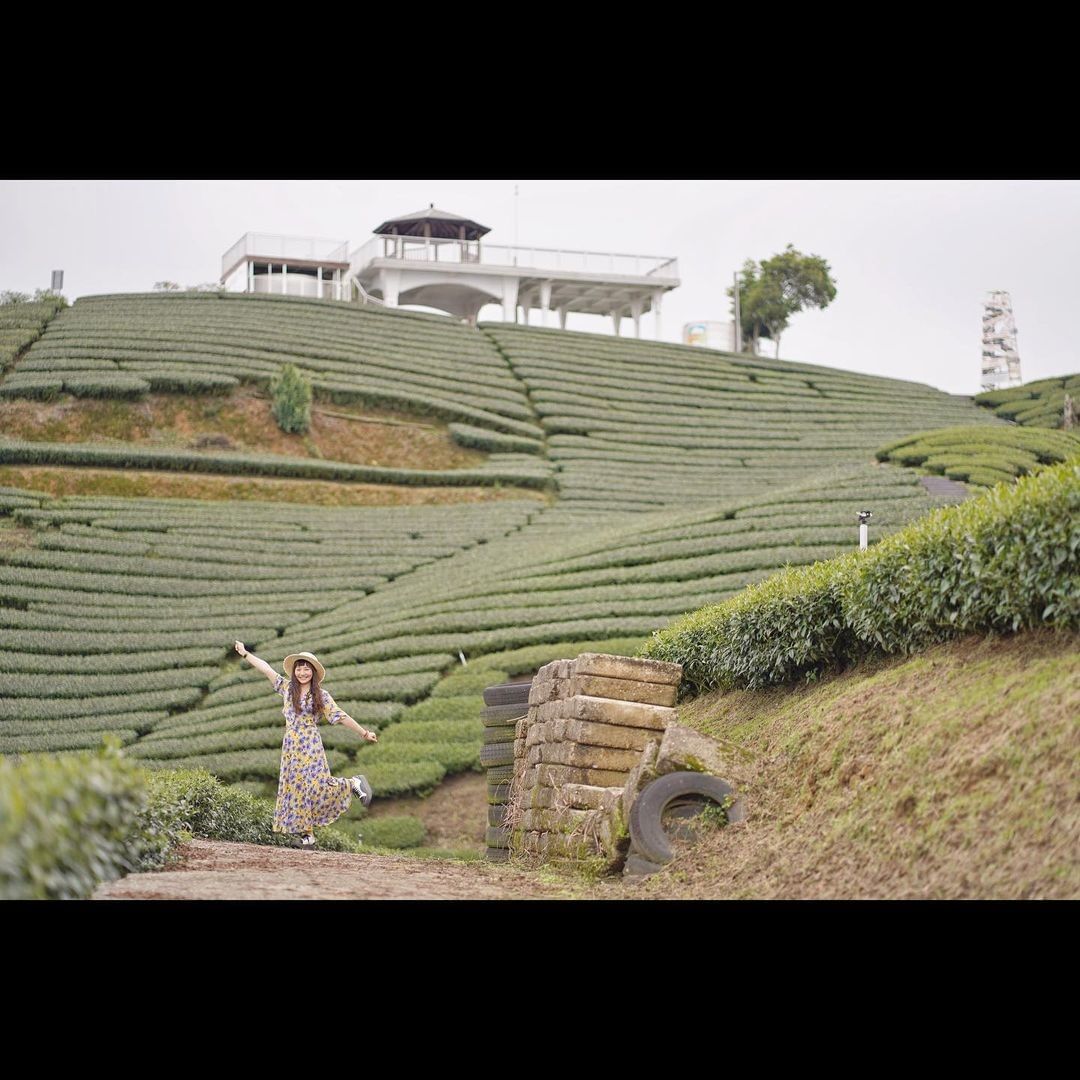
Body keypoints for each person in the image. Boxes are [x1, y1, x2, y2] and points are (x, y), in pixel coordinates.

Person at [234, 641, 377, 849]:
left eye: (306, 669)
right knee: (296, 789)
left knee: (317, 785)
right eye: (299, 668)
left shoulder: (321, 696)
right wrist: (246, 654)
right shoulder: (286, 688)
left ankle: (352, 783)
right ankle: (307, 836)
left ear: (313, 672)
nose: (302, 672)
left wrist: (363, 732)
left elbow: (340, 716)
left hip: (310, 744)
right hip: (291, 746)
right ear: (294, 671)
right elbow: (266, 668)